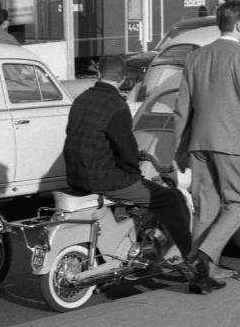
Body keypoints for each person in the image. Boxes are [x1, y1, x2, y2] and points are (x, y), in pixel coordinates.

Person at [63, 55, 209, 292]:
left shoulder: (82, 99)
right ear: (123, 78)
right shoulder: (116, 105)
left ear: (99, 72)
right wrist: (133, 170)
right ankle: (194, 267)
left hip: (75, 175)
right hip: (104, 178)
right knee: (169, 198)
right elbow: (126, 149)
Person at [173, 0, 240, 285]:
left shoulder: (196, 58)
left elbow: (183, 108)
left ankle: (201, 273)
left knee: (205, 208)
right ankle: (203, 256)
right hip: (232, 143)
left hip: (198, 144)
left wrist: (180, 149)